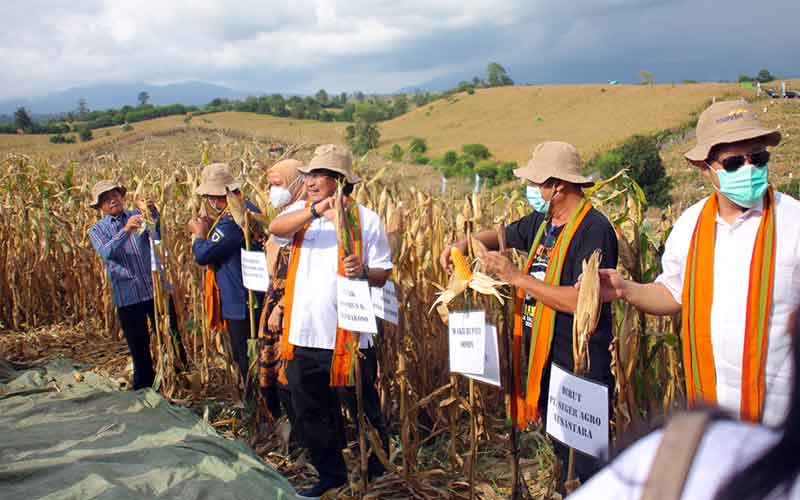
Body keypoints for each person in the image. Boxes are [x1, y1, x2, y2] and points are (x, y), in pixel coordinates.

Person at [594, 100, 800, 425]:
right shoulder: (691, 224)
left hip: (784, 419)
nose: (749, 169)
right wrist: (624, 289)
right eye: (733, 163)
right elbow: (675, 293)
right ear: (705, 167)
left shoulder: (794, 222)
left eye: (758, 158)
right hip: (711, 412)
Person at [440, 141, 619, 482]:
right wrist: (461, 245)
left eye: (538, 183)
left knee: (585, 461)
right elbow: (502, 234)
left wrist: (516, 278)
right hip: (546, 354)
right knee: (562, 447)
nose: (532, 190)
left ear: (559, 186)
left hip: (579, 361)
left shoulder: (593, 229)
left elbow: (583, 301)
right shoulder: (543, 221)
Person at [269, 144, 393, 499]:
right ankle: (331, 476)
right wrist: (314, 210)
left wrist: (364, 271)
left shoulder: (366, 219)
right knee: (312, 410)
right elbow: (276, 228)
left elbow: (383, 273)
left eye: (319, 175)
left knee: (363, 409)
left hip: (350, 336)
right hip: (303, 333)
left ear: (339, 181)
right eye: (308, 175)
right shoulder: (300, 214)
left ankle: (378, 474)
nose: (309, 180)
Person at [567, 311, 800, 500]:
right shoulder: (685, 452)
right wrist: (625, 289)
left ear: (790, 328)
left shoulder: (685, 454)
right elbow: (672, 288)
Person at [88, 180, 187, 389]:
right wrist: (126, 230)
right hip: (128, 296)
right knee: (139, 345)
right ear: (100, 207)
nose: (113, 200)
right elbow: (107, 252)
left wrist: (153, 212)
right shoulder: (97, 230)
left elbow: (158, 234)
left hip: (156, 289)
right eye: (106, 199)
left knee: (172, 337)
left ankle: (182, 379)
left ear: (122, 197)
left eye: (115, 195)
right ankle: (144, 388)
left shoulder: (138, 215)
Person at [188, 163, 263, 387]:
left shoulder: (232, 221)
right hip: (251, 296)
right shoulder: (246, 208)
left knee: (246, 357)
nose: (210, 202)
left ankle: (257, 408)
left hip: (241, 301)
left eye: (211, 196)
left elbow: (203, 255)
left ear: (215, 196)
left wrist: (199, 235)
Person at [257, 159, 306, 440]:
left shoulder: (301, 218)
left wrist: (281, 307)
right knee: (277, 375)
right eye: (271, 184)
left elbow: (297, 271)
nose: (272, 190)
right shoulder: (287, 214)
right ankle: (289, 432)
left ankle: (302, 437)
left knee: (290, 376)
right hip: (274, 301)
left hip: (287, 305)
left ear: (295, 183)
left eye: (277, 184)